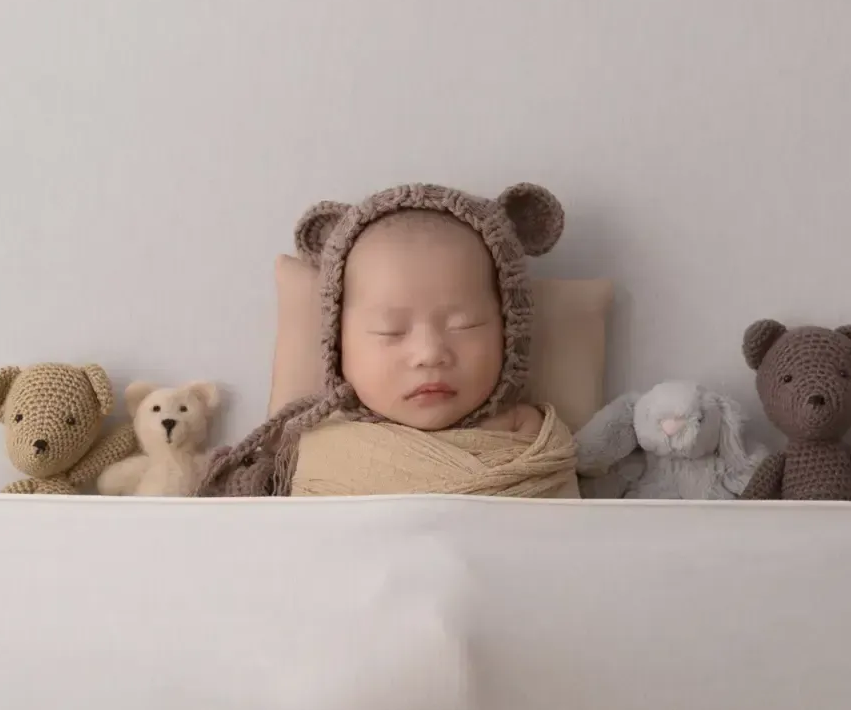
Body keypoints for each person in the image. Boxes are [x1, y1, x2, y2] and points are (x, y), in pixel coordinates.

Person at [195, 182, 580, 498]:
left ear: (509, 333)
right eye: (390, 332)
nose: (429, 354)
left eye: (464, 325)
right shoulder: (321, 444)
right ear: (339, 348)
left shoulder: (531, 442)